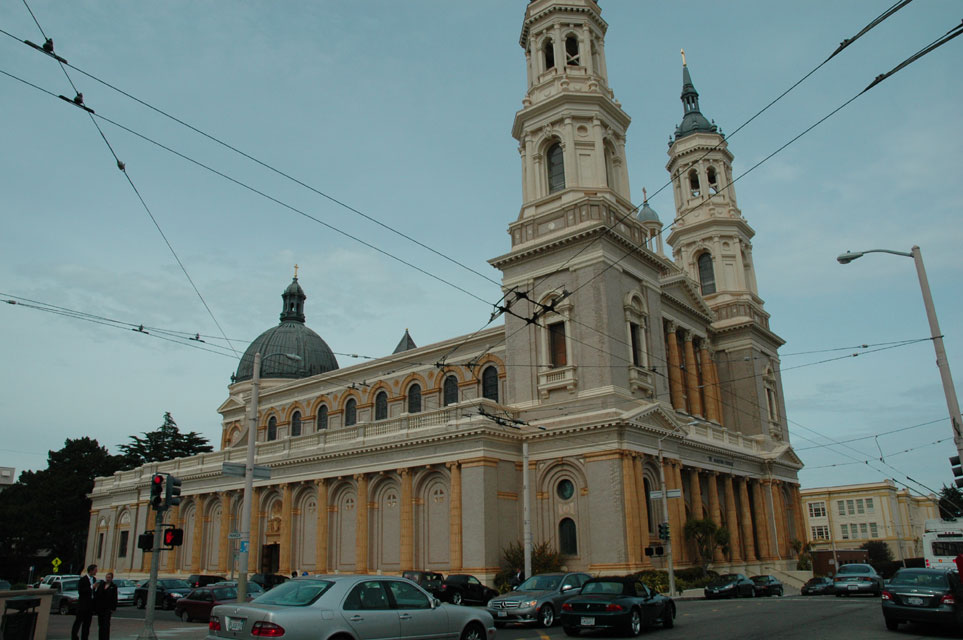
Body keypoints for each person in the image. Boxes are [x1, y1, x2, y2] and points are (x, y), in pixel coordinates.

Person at [71, 564, 97, 640]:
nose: (96, 571)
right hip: (82, 606)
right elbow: (81, 591)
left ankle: (85, 638)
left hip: (90, 606)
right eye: (95, 570)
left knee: (87, 624)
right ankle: (74, 637)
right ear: (91, 570)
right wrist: (91, 587)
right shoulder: (83, 580)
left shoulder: (94, 579)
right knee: (78, 622)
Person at [93, 572, 118, 640]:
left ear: (112, 578)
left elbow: (114, 597)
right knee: (100, 625)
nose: (108, 579)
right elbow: (97, 594)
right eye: (107, 577)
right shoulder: (101, 585)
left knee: (106, 625)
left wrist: (113, 608)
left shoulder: (113, 586)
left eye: (109, 577)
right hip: (100, 608)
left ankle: (106, 638)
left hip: (108, 608)